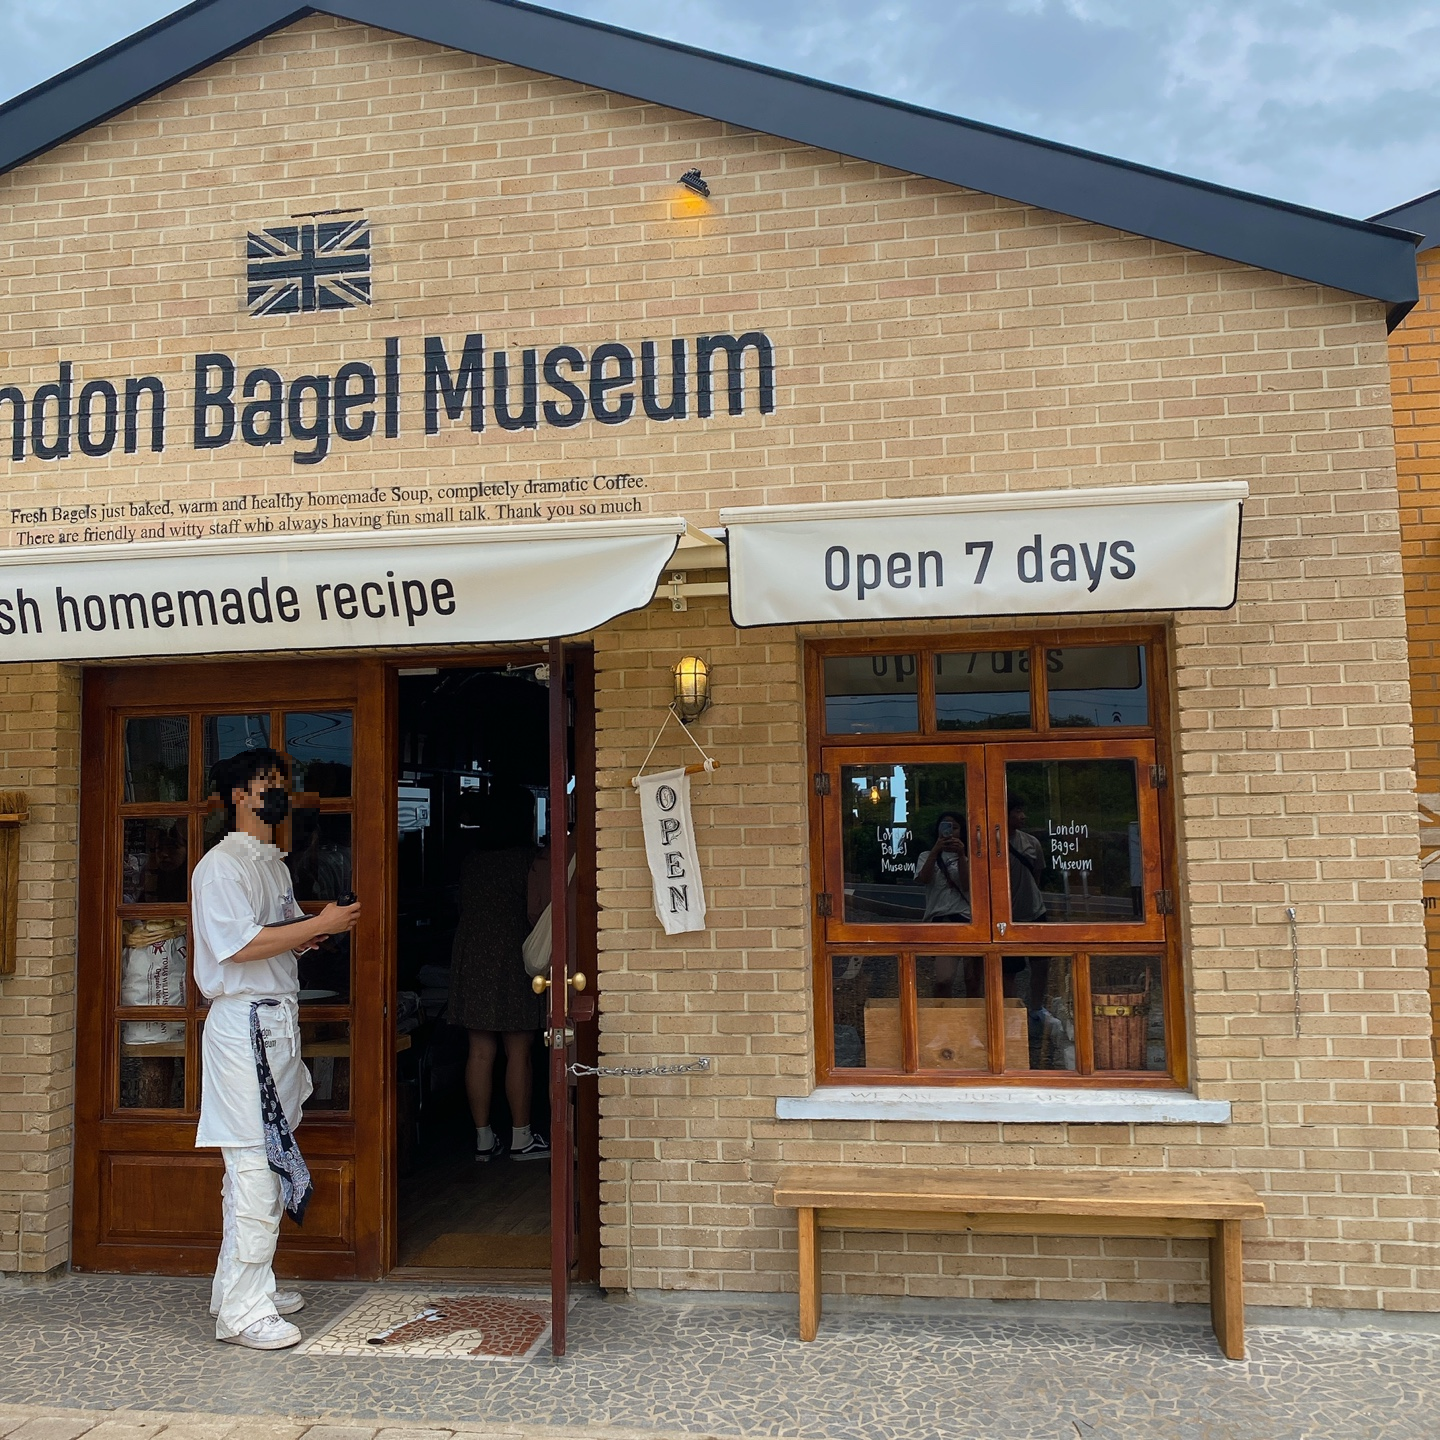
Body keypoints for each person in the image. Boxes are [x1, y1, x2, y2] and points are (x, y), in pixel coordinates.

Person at [192, 748, 361, 1351]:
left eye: (283, 785)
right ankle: (242, 1311)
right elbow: (239, 946)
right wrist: (318, 927)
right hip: (244, 1029)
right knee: (254, 1167)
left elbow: (281, 935)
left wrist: (319, 924)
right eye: (268, 784)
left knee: (260, 1160)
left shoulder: (274, 866)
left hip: (275, 1024)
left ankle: (240, 1285)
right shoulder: (220, 868)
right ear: (239, 793)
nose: (278, 795)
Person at [447, 784, 549, 1163]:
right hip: (513, 953)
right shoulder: (528, 860)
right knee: (518, 1050)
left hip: (472, 955)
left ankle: (483, 1139)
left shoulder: (472, 861)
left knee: (480, 1051)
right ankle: (522, 1137)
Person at [915, 811, 971, 923]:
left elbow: (966, 885)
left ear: (961, 831)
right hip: (935, 915)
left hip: (962, 914)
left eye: (954, 828)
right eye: (944, 826)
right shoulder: (925, 856)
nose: (949, 832)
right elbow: (924, 879)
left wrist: (961, 854)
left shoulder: (969, 858)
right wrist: (935, 850)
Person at [1007, 798, 1048, 922]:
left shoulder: (1032, 842)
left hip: (1034, 911)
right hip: (1005, 915)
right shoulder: (992, 844)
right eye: (1018, 812)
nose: (1023, 816)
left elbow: (1037, 874)